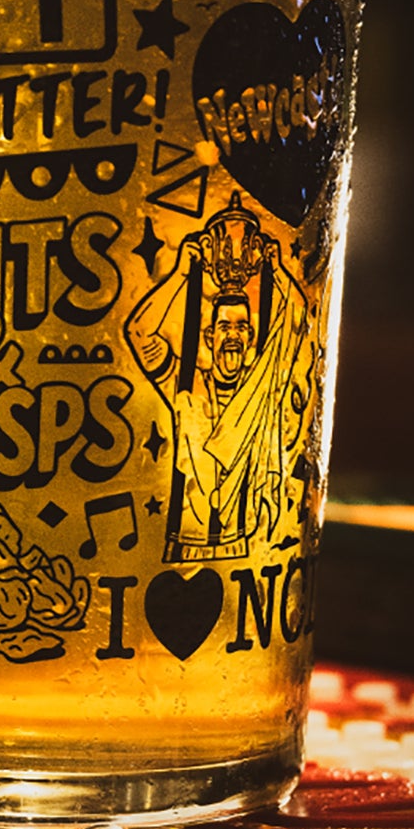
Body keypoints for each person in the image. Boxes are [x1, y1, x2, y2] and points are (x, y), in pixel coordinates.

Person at [125, 195, 313, 563]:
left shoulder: (265, 385)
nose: (233, 334)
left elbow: (301, 322)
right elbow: (139, 332)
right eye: (224, 326)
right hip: (188, 546)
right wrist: (181, 273)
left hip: (250, 547)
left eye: (242, 327)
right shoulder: (187, 386)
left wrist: (278, 270)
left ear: (251, 336)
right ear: (209, 338)